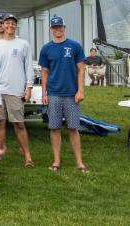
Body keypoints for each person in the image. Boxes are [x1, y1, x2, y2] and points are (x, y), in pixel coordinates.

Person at [39, 16, 88, 173]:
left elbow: (81, 69)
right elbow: (44, 72)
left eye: (60, 27)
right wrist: (44, 93)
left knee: (73, 128)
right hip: (53, 94)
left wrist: (80, 90)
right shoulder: (46, 48)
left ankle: (79, 162)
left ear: (64, 28)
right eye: (54, 27)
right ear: (51, 29)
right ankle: (56, 161)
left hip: (71, 94)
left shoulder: (74, 46)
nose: (57, 29)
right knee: (54, 128)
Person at [0, 13, 35, 167]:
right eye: (6, 23)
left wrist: (28, 88)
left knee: (19, 124)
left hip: (16, 91)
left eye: (12, 23)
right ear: (3, 25)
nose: (9, 26)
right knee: (0, 123)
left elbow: (28, 67)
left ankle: (27, 156)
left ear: (15, 26)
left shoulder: (23, 44)